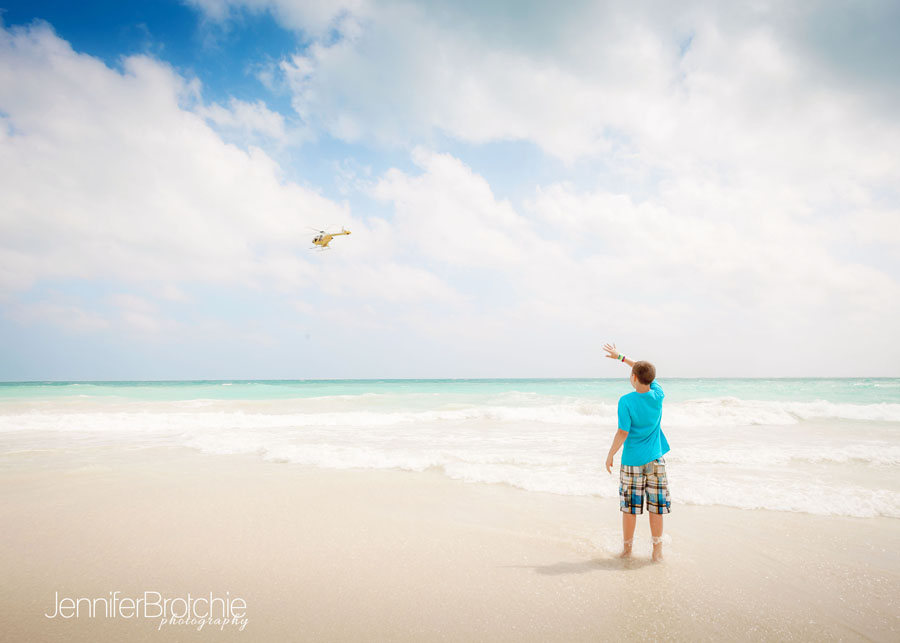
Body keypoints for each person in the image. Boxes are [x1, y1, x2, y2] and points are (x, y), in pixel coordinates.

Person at [603, 343, 671, 562]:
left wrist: (610, 454)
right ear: (651, 379)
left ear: (633, 377)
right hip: (655, 459)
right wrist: (623, 358)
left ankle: (627, 550)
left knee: (630, 508)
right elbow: (643, 370)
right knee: (656, 507)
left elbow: (623, 432)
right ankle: (657, 552)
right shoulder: (658, 394)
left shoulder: (626, 401)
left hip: (632, 460)